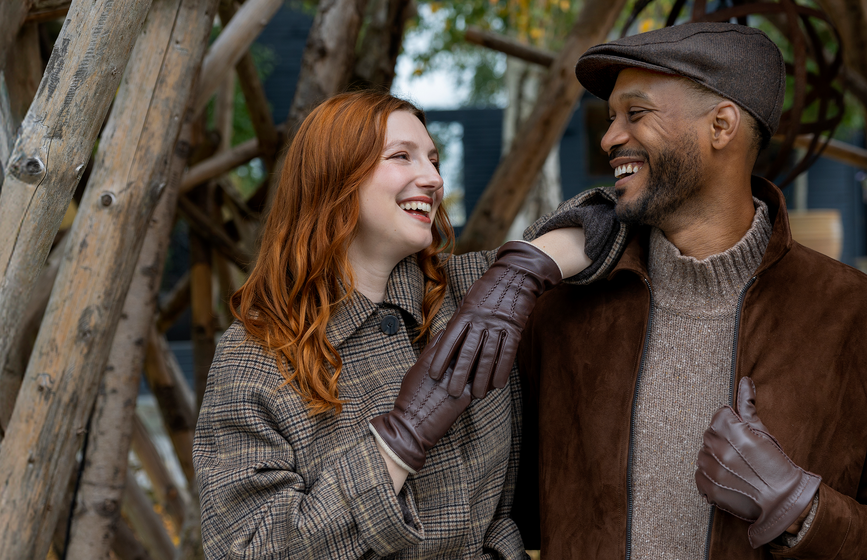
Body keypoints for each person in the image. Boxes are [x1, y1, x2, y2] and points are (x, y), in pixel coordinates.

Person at [512, 23, 867, 559]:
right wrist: (519, 268)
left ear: (721, 126)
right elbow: (488, 507)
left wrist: (801, 510)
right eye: (611, 118)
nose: (609, 138)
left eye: (636, 113)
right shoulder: (563, 313)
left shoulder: (863, 321)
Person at [194, 90, 622, 558]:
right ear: (334, 175)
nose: (433, 178)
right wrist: (402, 438)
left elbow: (614, 214)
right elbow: (252, 548)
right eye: (402, 156)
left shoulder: (473, 289)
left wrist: (520, 275)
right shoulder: (258, 353)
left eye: (434, 160)